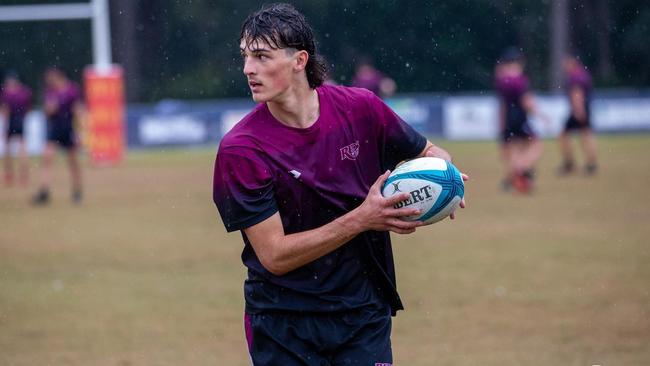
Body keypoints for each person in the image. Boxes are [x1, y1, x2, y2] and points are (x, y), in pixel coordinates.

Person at [212, 4, 466, 365]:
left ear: (299, 60)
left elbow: (428, 150)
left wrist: (447, 182)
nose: (248, 68)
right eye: (245, 56)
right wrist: (362, 218)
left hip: (363, 313)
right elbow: (274, 256)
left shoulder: (361, 109)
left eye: (261, 56)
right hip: (283, 323)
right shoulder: (242, 149)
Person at [494, 47, 543, 194]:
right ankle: (522, 171)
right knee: (536, 145)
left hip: (509, 118)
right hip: (520, 118)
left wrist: (501, 124)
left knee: (516, 148)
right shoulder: (520, 80)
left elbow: (502, 105)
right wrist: (540, 114)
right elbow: (526, 101)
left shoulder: (501, 80)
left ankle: (515, 178)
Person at [32, 68, 84, 205]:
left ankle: (77, 191)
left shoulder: (72, 90)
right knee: (47, 158)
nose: (49, 82)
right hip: (54, 129)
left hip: (68, 129)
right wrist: (49, 109)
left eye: (51, 79)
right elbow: (48, 112)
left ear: (59, 77)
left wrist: (80, 132)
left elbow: (78, 110)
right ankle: (44, 191)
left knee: (73, 162)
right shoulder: (50, 92)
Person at [557, 55, 598, 176]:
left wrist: (578, 110)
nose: (564, 65)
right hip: (585, 108)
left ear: (573, 62)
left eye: (566, 62)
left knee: (564, 135)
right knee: (586, 134)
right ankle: (591, 164)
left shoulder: (575, 77)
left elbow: (577, 94)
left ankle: (569, 163)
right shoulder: (584, 75)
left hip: (578, 109)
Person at [1, 72, 32, 186]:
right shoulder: (25, 92)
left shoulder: (6, 93)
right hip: (21, 121)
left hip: (11, 121)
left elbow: (5, 111)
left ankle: (9, 174)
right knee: (22, 149)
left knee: (8, 149)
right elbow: (28, 108)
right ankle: (23, 175)